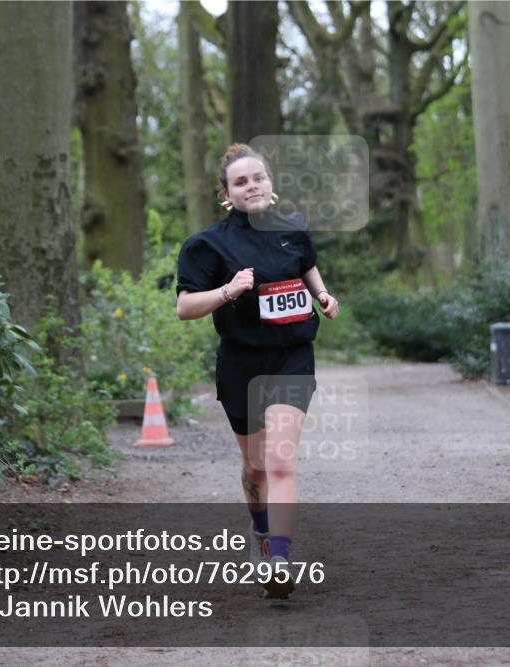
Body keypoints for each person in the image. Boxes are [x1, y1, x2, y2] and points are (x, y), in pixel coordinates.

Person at [176, 143, 339, 598]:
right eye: (241, 182)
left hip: (291, 357)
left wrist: (323, 296)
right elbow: (185, 307)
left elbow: (308, 267)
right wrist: (228, 291)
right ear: (226, 194)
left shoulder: (293, 229)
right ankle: (261, 531)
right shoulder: (207, 245)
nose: (252, 186)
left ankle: (280, 559)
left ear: (271, 183)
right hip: (242, 363)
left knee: (280, 460)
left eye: (259, 178)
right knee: (255, 467)